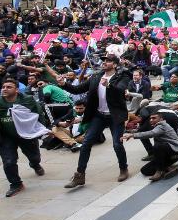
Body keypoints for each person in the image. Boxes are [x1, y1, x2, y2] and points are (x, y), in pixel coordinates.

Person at [49, 54, 133, 188]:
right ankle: (79, 175)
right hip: (99, 115)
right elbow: (77, 90)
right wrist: (63, 84)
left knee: (117, 144)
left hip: (114, 116)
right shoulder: (96, 76)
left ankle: (123, 168)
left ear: (115, 65)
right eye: (104, 60)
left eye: (108, 61)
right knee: (86, 143)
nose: (105, 62)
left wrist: (109, 85)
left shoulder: (122, 76)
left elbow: (121, 90)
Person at [0, 78, 45, 197]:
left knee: (34, 157)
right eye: (3, 87)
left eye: (9, 87)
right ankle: (16, 184)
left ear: (17, 90)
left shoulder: (28, 100)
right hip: (6, 136)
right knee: (9, 161)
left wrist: (43, 131)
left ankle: (35, 164)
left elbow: (38, 115)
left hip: (26, 134)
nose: (5, 89)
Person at [121, 113, 178, 181]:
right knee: (145, 170)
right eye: (150, 118)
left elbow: (151, 133)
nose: (151, 120)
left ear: (161, 119)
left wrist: (133, 135)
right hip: (168, 154)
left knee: (157, 146)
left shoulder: (162, 125)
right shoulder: (155, 126)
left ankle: (160, 170)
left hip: (177, 151)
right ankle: (168, 168)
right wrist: (133, 131)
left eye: (154, 118)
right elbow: (144, 130)